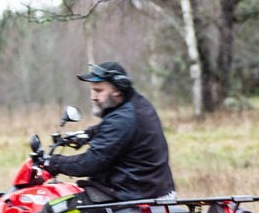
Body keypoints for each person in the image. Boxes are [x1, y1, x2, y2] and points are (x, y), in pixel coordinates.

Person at [46, 61, 176, 202]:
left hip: (129, 195)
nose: (93, 97)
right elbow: (112, 130)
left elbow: (90, 163)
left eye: (99, 91)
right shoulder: (137, 105)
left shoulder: (122, 119)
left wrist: (54, 163)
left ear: (118, 89)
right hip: (152, 189)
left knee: (52, 209)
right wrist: (87, 134)